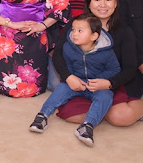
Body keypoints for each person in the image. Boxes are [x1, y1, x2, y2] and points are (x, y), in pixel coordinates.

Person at [54, 0, 143, 128]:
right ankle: (114, 111)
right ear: (89, 4)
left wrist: (109, 83)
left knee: (121, 118)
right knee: (72, 116)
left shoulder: (124, 31)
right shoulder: (76, 24)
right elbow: (58, 53)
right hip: (80, 83)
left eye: (108, 0)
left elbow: (130, 68)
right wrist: (69, 77)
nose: (103, 5)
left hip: (109, 83)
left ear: (115, 3)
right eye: (97, 0)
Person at [29, 14, 120, 147]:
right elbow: (67, 65)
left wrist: (100, 81)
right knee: (61, 88)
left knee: (106, 96)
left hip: (96, 85)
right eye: (73, 30)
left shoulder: (107, 53)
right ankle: (42, 116)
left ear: (94, 36)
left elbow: (114, 69)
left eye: (80, 31)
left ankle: (87, 126)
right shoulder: (68, 48)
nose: (74, 34)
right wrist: (72, 78)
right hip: (76, 82)